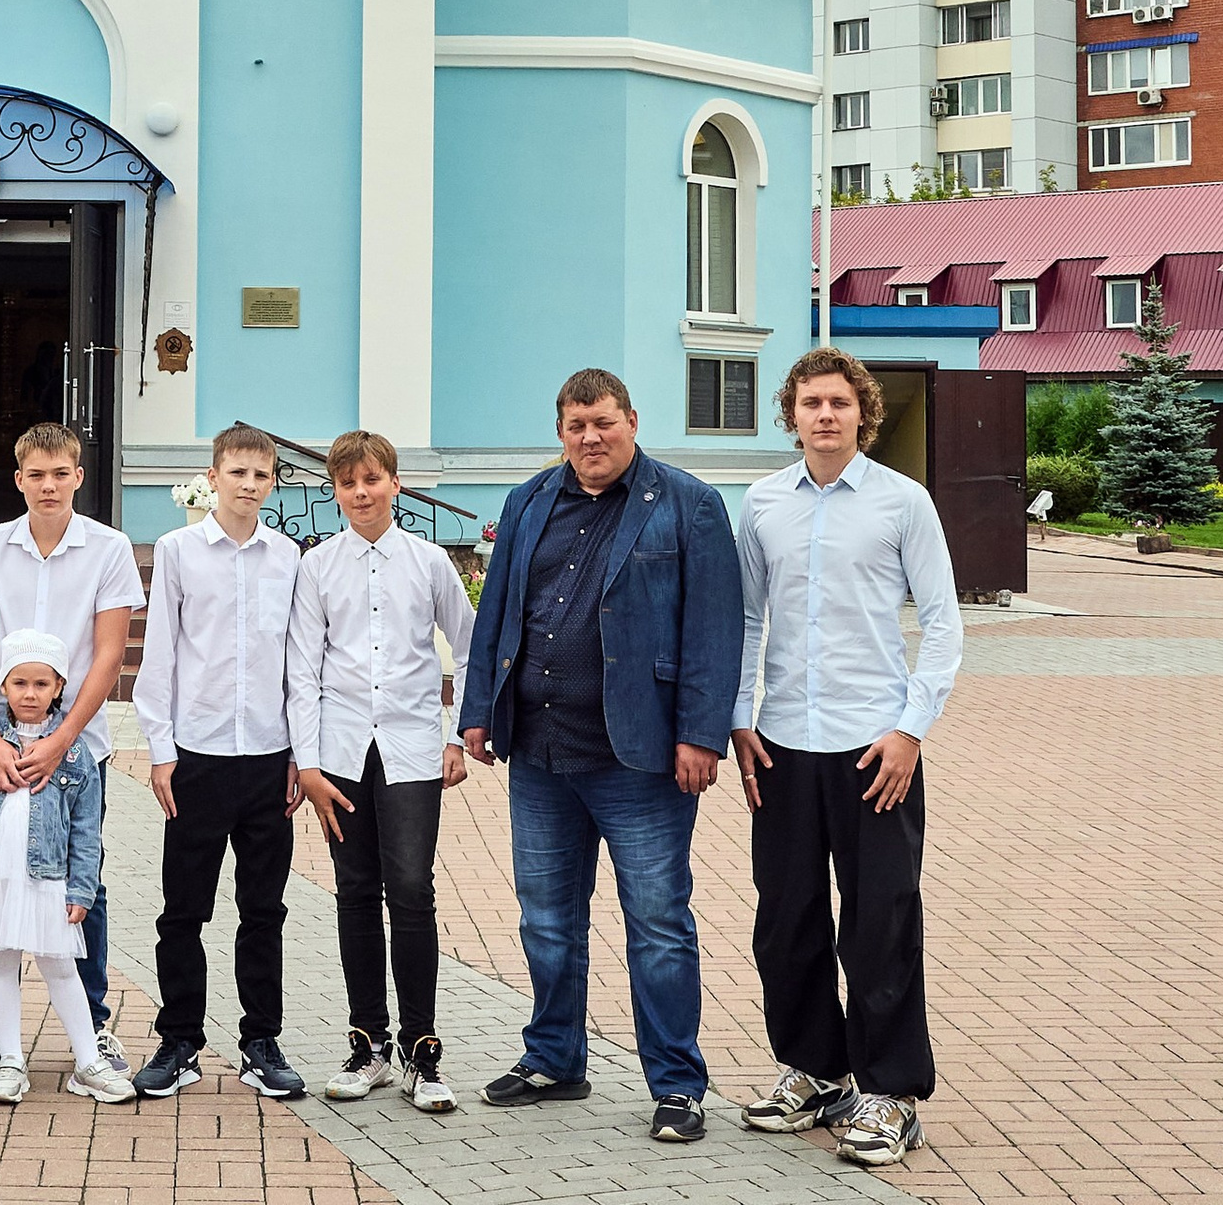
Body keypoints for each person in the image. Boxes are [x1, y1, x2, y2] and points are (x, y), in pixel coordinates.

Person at [460, 364, 740, 1146]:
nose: (591, 438)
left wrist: (700, 734)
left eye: (605, 423)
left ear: (632, 422)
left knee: (656, 922)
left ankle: (678, 1085)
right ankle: (555, 1059)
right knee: (547, 921)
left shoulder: (688, 505)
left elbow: (715, 630)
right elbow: (497, 617)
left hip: (642, 758)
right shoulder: (526, 502)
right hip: (542, 756)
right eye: (577, 426)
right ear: (561, 432)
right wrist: (477, 709)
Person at [731, 348, 962, 1175]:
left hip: (876, 748)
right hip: (784, 744)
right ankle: (817, 1072)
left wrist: (910, 731)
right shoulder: (760, 505)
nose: (824, 415)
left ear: (864, 412)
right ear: (789, 415)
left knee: (881, 923)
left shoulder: (905, 504)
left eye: (838, 402)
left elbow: (943, 623)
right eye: (808, 403)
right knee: (785, 922)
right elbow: (749, 622)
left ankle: (891, 1093)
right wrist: (737, 718)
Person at [0, 418, 145, 1081]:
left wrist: (62, 740)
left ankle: (94, 1021)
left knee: (80, 877)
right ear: (19, 479)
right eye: (36, 474)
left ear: (78, 476)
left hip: (75, 748)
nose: (49, 485)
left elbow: (110, 652)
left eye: (61, 473)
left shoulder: (109, 549)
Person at [287, 427, 476, 1117]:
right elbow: (301, 668)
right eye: (347, 483)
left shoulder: (429, 563)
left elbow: (469, 644)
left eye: (372, 480)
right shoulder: (318, 566)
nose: (361, 493)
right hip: (339, 754)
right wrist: (305, 762)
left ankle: (423, 1051)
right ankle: (369, 1045)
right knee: (355, 890)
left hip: (413, 748)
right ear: (334, 491)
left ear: (395, 484)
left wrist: (457, 737)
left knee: (410, 887)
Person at [131, 424, 306, 1102]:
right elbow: (163, 653)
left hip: (267, 756)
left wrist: (300, 752)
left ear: (272, 482)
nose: (248, 485)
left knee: (264, 910)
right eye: (237, 473)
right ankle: (179, 1040)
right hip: (198, 756)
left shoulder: (289, 556)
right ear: (213, 475)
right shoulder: (178, 551)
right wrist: (161, 751)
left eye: (261, 475)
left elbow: (298, 660)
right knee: (184, 910)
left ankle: (261, 1041)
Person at [0, 629, 134, 1104]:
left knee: (60, 965)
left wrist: (82, 887)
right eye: (19, 682)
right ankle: (9, 1061)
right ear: (2, 685)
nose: (30, 693)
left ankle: (88, 1061)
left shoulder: (76, 751)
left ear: (59, 687)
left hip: (45, 877)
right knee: (0, 963)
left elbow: (87, 829)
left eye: (41, 684)